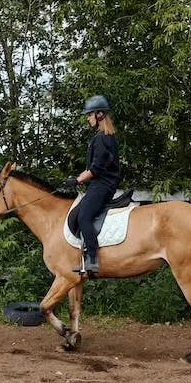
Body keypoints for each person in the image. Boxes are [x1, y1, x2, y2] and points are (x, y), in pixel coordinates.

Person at [63, 95, 121, 275]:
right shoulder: (104, 137)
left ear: (99, 114)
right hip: (100, 184)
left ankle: (92, 260)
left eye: (89, 115)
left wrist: (78, 180)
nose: (88, 118)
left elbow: (95, 169)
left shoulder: (102, 138)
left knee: (84, 217)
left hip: (102, 185)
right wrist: (79, 177)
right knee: (80, 213)